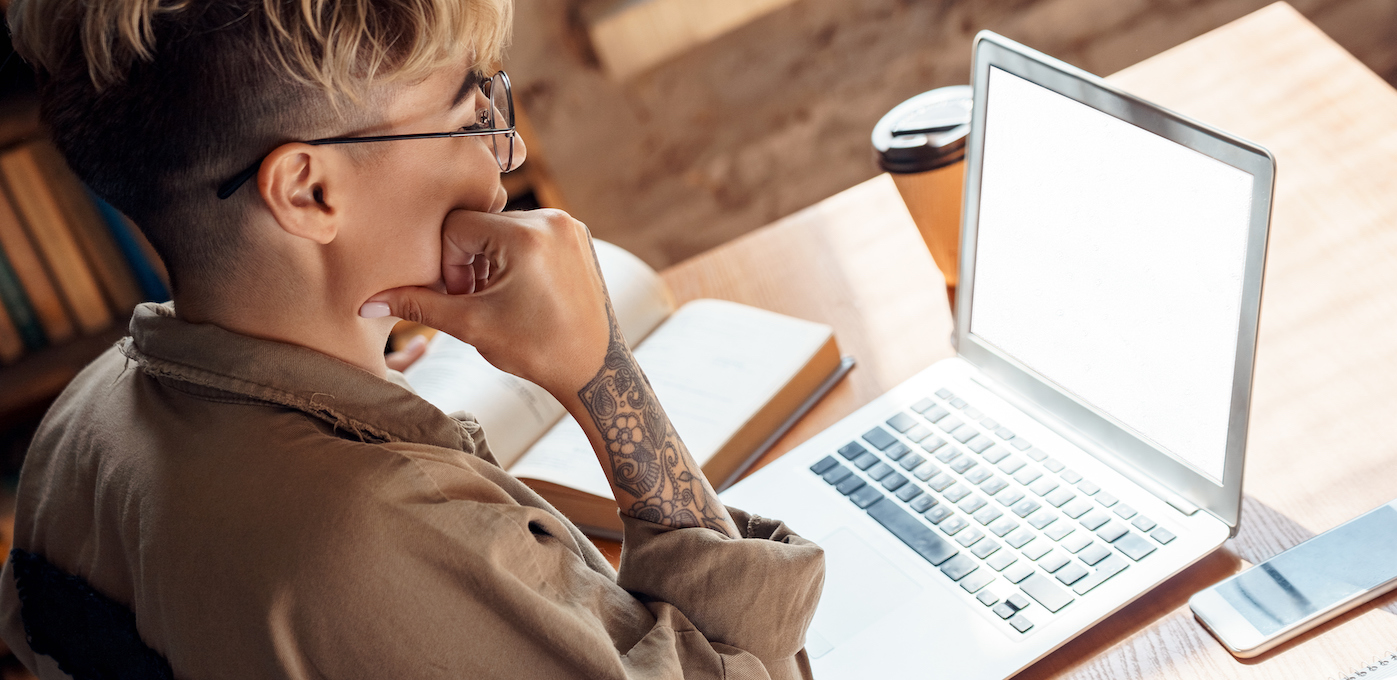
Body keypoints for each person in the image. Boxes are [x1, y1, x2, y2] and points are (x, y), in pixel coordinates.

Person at [0, 0, 824, 677]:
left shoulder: (79, 425)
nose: (507, 155)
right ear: (311, 191)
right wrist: (602, 372)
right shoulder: (390, 539)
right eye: (470, 116)